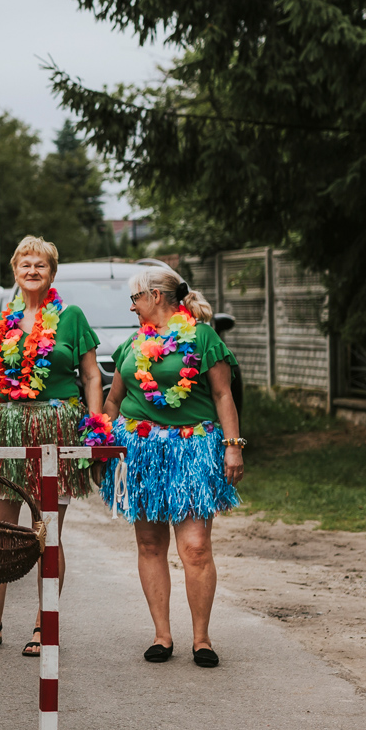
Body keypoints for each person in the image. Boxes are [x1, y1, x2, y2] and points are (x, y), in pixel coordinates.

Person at [0, 235, 103, 656]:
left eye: (40, 265)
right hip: (6, 429)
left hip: (56, 428)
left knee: (47, 533)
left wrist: (97, 429)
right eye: (25, 264)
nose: (32, 271)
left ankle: (45, 624)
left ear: (52, 273)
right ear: (14, 271)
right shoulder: (1, 322)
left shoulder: (71, 317)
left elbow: (91, 375)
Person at [102, 266, 243, 668]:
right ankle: (162, 635)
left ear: (156, 296)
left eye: (135, 298)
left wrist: (233, 447)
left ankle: (202, 638)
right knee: (149, 544)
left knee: (195, 547)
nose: (132, 307)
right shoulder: (132, 345)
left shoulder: (202, 337)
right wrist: (101, 441)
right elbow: (113, 400)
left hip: (192, 449)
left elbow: (223, 394)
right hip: (141, 452)